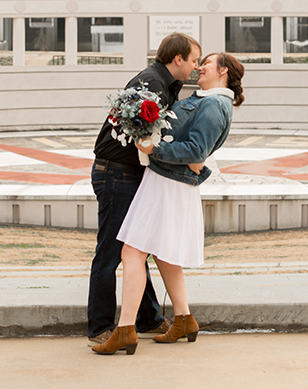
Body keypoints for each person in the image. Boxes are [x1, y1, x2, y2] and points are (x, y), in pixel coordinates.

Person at [91, 52, 245, 355]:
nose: (200, 67)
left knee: (131, 251)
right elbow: (197, 148)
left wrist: (153, 147)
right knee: (161, 255)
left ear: (223, 70)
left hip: (167, 183)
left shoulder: (214, 104)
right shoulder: (207, 99)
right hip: (166, 181)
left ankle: (125, 330)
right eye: (198, 61)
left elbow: (197, 148)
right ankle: (184, 319)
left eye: (207, 63)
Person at [87, 32, 202, 347]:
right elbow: (141, 135)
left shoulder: (163, 84)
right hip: (116, 174)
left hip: (127, 174)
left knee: (137, 246)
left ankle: (148, 318)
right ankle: (99, 326)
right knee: (111, 252)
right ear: (177, 59)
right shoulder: (151, 84)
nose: (195, 67)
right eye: (193, 60)